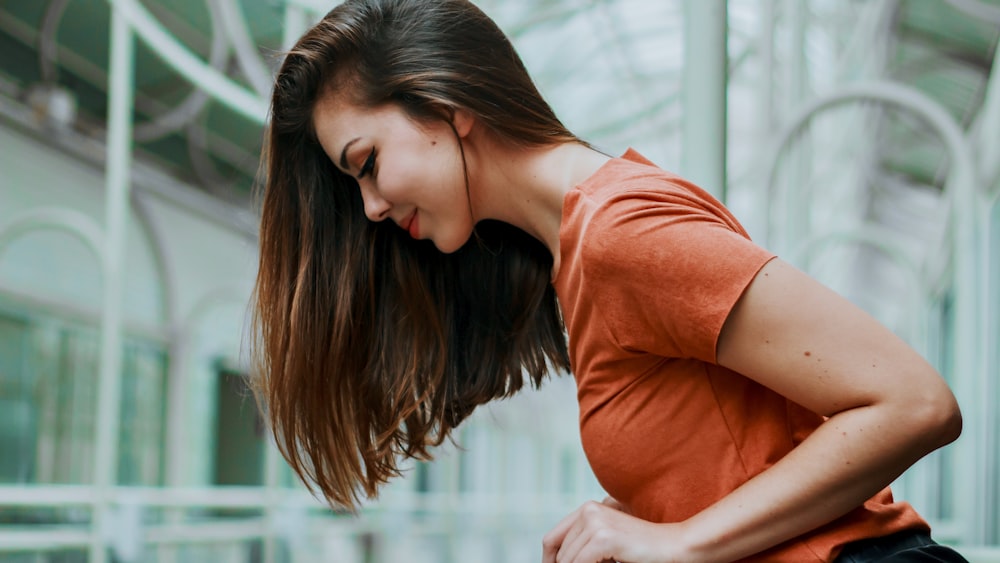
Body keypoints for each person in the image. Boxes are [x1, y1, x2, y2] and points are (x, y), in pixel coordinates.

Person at [250, 1, 968, 561]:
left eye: (366, 161)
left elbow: (913, 400)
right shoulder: (577, 251)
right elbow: (748, 442)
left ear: (444, 104)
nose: (371, 207)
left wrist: (684, 540)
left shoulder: (620, 233)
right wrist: (659, 514)